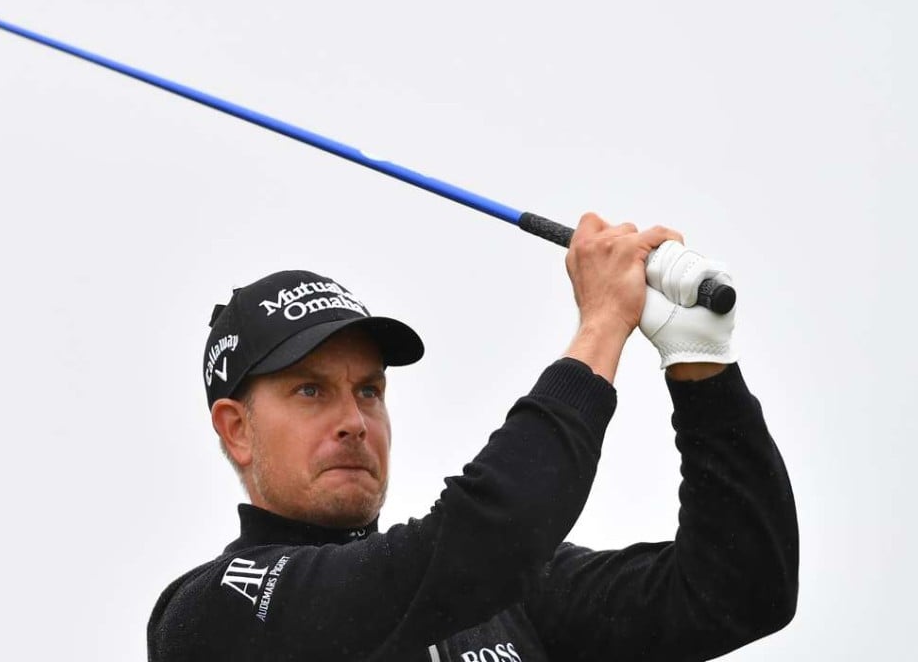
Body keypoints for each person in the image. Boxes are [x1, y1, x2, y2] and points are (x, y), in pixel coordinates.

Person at [147, 214, 798, 661]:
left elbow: (740, 590)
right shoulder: (216, 610)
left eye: (369, 390)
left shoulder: (507, 596)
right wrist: (602, 325)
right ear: (237, 430)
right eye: (310, 391)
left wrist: (701, 367)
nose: (353, 419)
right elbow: (483, 540)